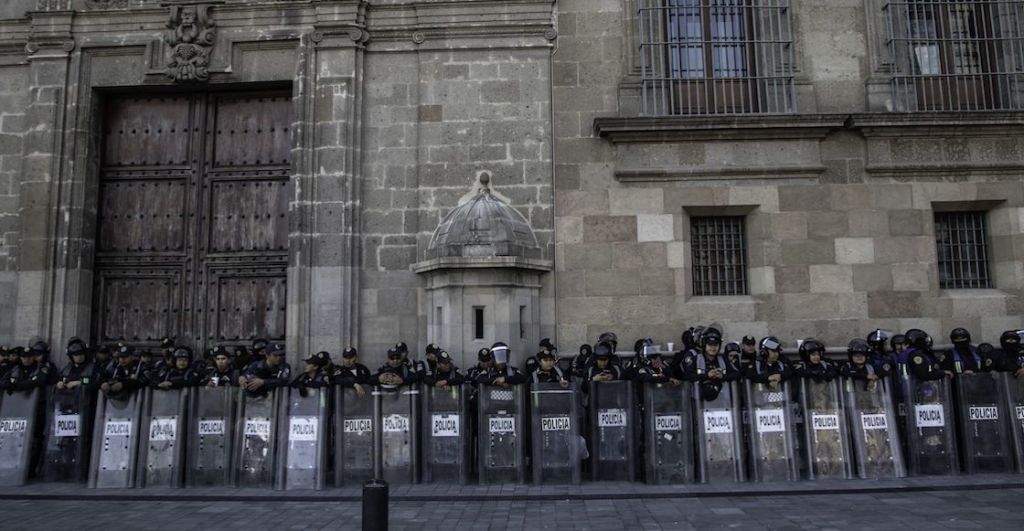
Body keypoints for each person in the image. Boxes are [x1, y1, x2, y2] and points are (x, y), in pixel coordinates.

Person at [683, 327, 741, 401]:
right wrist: (707, 375)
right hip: (698, 401)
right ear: (705, 345)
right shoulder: (696, 359)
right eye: (710, 345)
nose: (713, 348)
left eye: (716, 345)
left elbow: (737, 374)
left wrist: (722, 376)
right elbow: (688, 376)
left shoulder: (723, 359)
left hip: (723, 401)